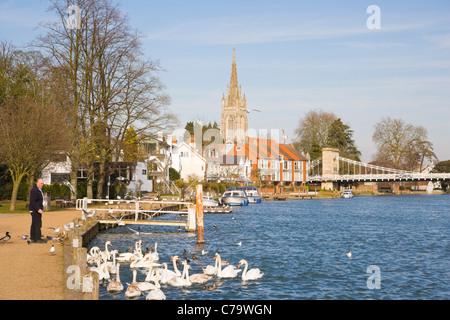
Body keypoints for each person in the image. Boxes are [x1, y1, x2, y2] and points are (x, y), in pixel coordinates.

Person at [28, 178, 47, 244]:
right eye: (41, 183)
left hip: (37, 209)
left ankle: (33, 237)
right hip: (35, 210)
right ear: (37, 183)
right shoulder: (34, 190)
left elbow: (39, 200)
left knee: (34, 223)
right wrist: (38, 209)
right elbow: (32, 202)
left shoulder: (39, 190)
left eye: (43, 183)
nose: (42, 185)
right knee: (37, 224)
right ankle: (37, 238)